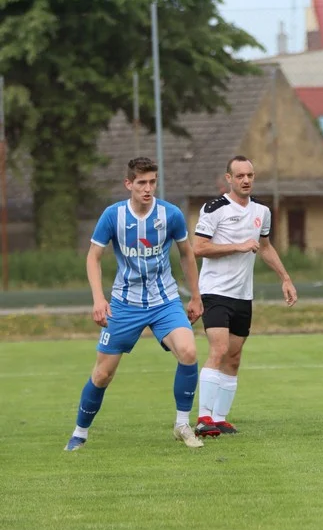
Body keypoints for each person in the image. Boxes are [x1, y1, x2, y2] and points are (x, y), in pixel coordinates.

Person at [64, 157, 205, 451]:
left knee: (189, 351)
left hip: (165, 300)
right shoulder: (112, 216)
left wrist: (195, 295)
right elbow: (93, 257)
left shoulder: (171, 215)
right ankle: (80, 432)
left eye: (152, 181)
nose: (148, 188)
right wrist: (98, 298)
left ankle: (182, 425)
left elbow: (187, 254)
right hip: (124, 304)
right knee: (103, 374)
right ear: (129, 184)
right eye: (141, 182)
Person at [192, 156, 298, 437]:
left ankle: (220, 418)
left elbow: (265, 246)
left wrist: (285, 278)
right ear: (229, 178)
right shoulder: (214, 209)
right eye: (240, 176)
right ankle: (203, 418)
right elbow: (198, 248)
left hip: (242, 295)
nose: (246, 180)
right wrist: (236, 246)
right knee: (218, 348)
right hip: (215, 291)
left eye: (250, 175)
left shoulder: (262, 210)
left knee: (234, 356)